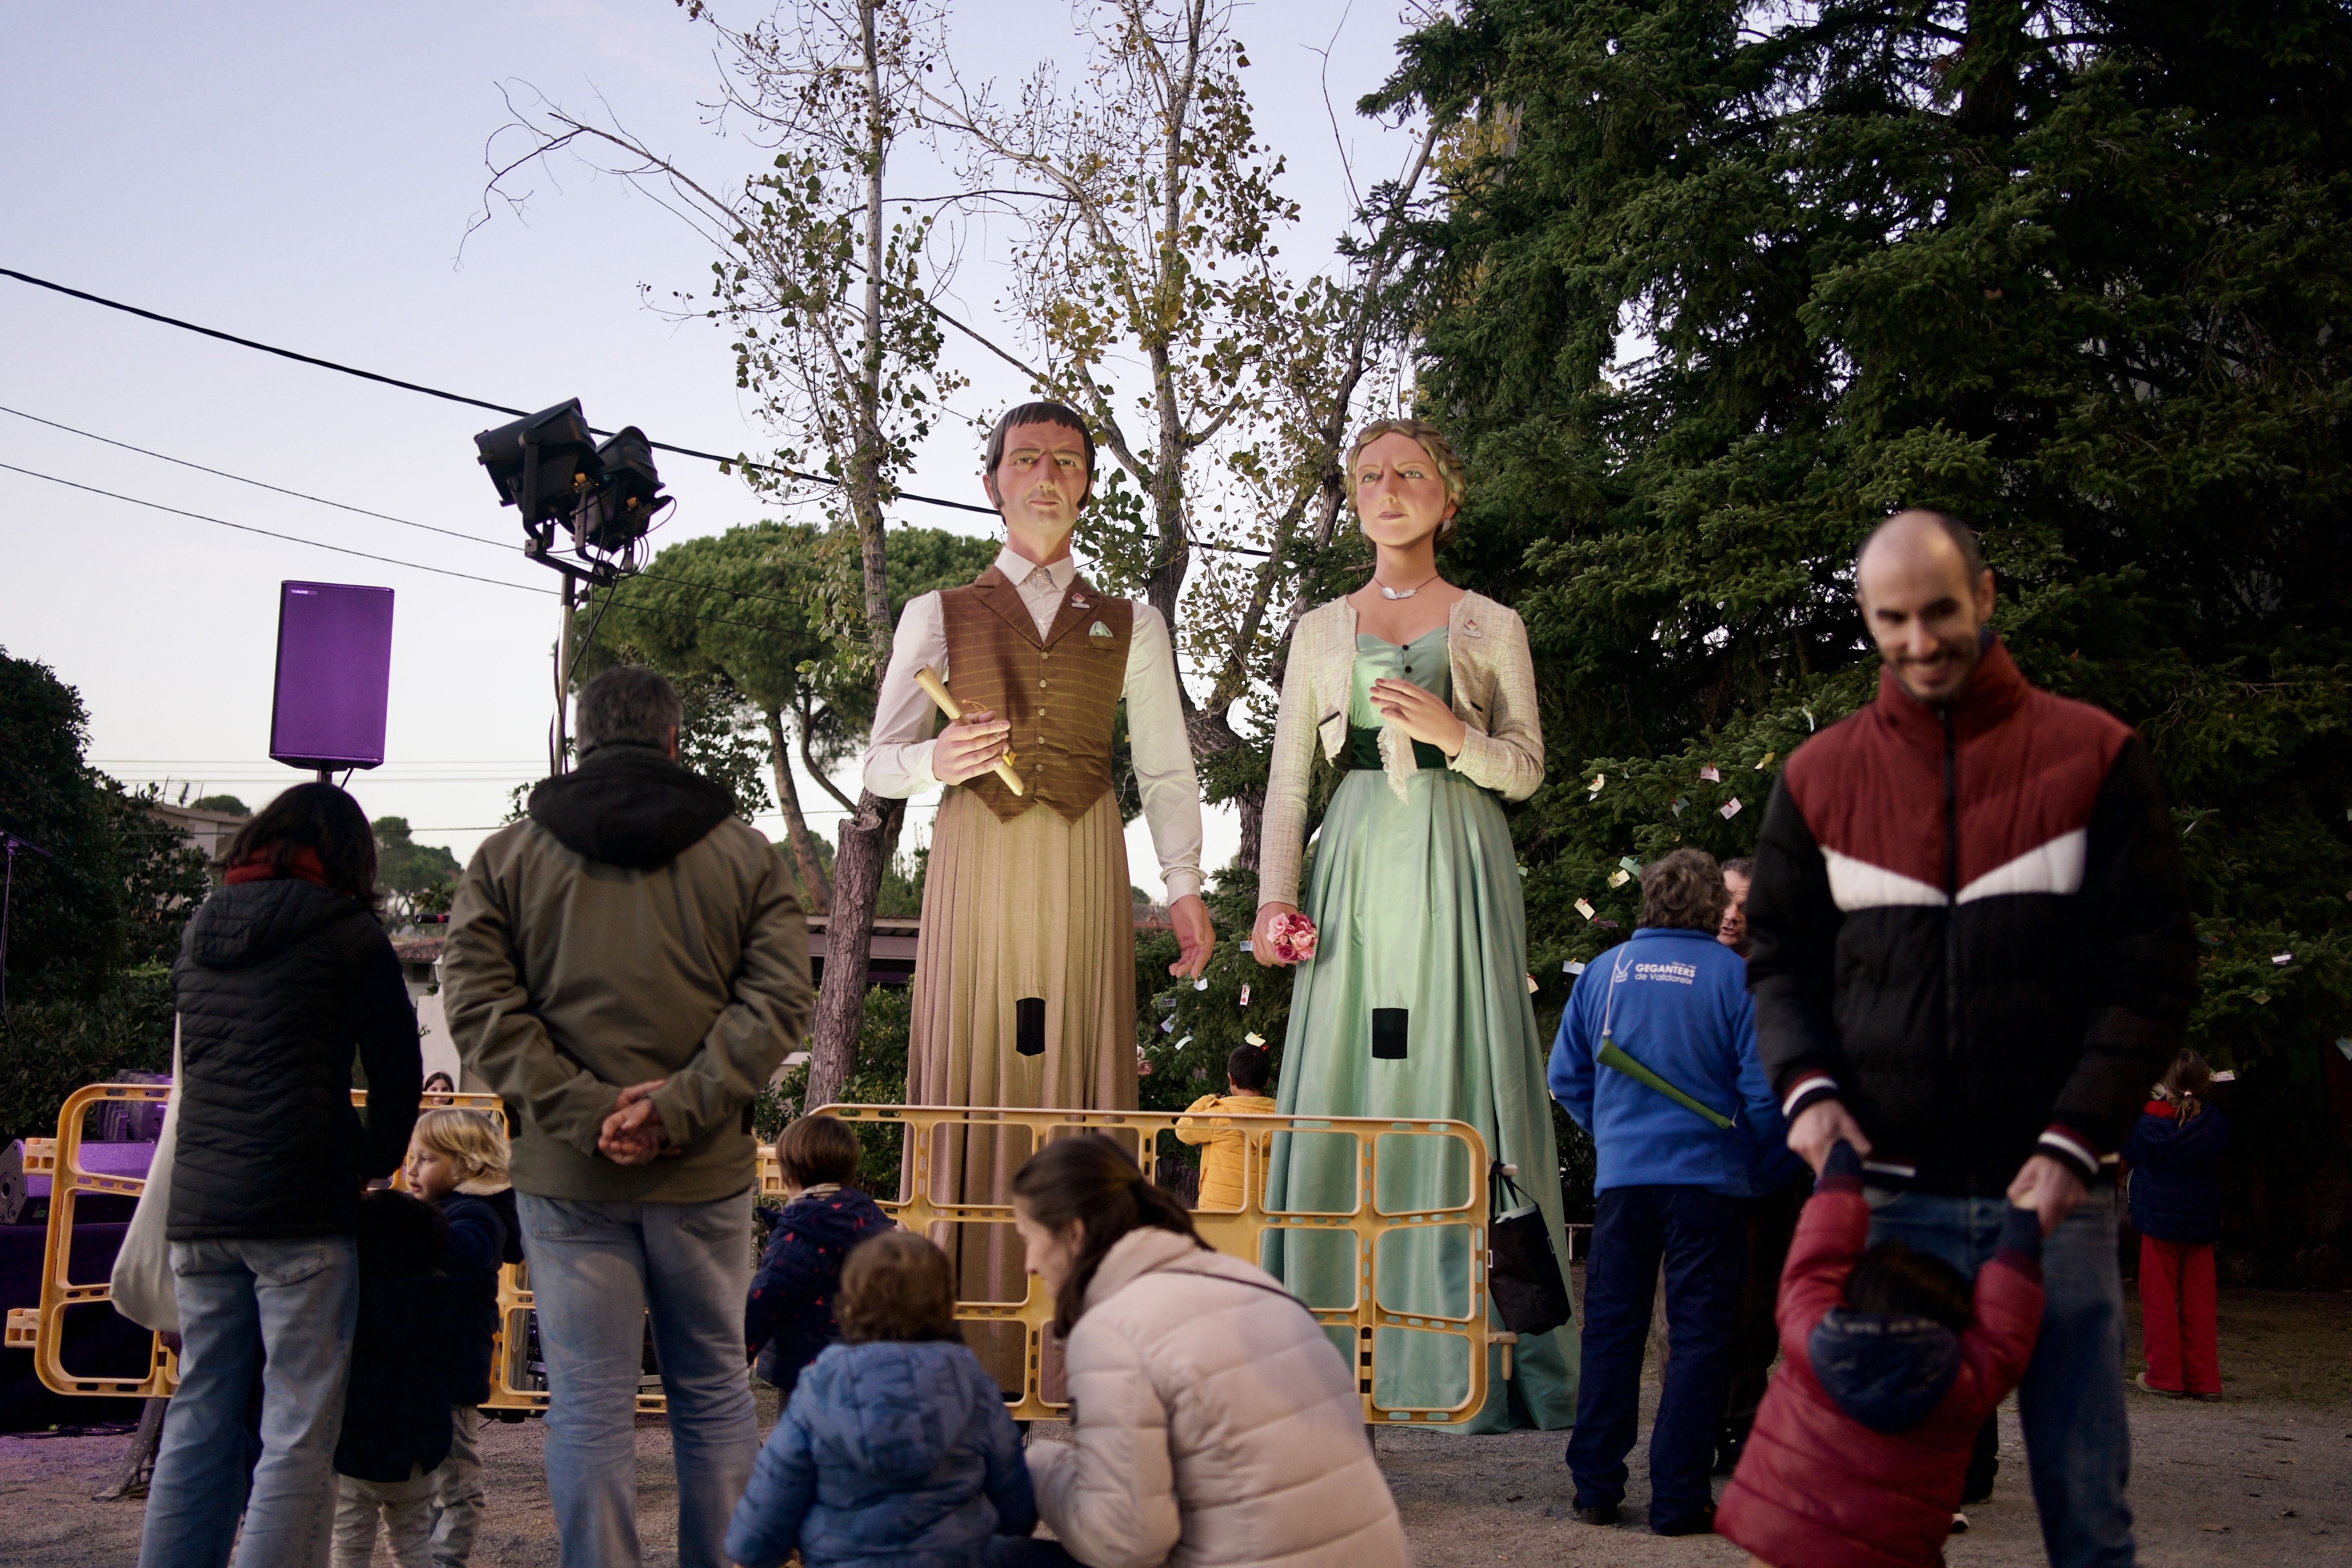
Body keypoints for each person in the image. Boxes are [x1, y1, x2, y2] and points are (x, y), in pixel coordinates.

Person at [1746, 509, 2197, 1567]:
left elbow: (2154, 969)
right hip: (1889, 1202)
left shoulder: (2097, 756)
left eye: (1939, 611)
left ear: (1986, 597)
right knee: (1873, 1525)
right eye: (1891, 619)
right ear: (1868, 619)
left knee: (2088, 1515)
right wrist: (1808, 1093)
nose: (1918, 640)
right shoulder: (1818, 777)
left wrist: (2074, 1144)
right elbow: (1778, 959)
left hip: (2055, 1202)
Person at [862, 401, 1213, 1373]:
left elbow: (1169, 765)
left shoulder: (1133, 623)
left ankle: (1082, 1353)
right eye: (1027, 460)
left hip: (1086, 849)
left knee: (1074, 1074)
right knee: (977, 1068)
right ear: (994, 484)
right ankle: (954, 1340)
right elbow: (878, 762)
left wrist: (1184, 884)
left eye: (1067, 460)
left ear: (1090, 485)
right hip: (978, 850)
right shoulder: (936, 612)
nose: (1048, 475)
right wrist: (934, 755)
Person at [442, 665, 814, 1568]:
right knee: (716, 1396)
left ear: (581, 739)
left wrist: (580, 1110)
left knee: (590, 1406)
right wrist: (680, 1103)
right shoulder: (746, 855)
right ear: (675, 740)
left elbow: (479, 1004)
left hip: (568, 1176)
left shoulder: (508, 857)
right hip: (705, 1172)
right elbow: (776, 1002)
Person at [1250, 416, 1572, 1431]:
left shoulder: (1493, 623)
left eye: (1411, 473)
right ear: (1353, 496)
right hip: (1353, 858)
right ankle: (1326, 1342)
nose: (1389, 489)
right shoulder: (1317, 630)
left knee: (1456, 1070)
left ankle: (1466, 1354)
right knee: (1351, 1078)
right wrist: (1273, 899)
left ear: (1450, 492)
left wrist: (1455, 735)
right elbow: (1286, 785)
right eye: (1369, 476)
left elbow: (1525, 768)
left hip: (1461, 851)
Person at [138, 782, 421, 1568]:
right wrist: (370, 1160)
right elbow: (399, 1068)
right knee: (296, 1429)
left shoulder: (200, 929)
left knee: (200, 1412)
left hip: (201, 1208)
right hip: (301, 1202)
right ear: (350, 858)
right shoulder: (350, 933)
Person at [1007, 1135, 1409, 1568]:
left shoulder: (1114, 1330)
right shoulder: (1254, 1284)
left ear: (1075, 1233)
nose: (1028, 1263)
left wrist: (1041, 1466)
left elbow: (1124, 1542)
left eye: (1028, 1238)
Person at [1549, 848, 1788, 1535]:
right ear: (1715, 905)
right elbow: (1763, 1099)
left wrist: (1615, 1135)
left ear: (1650, 899)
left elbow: (1567, 1078)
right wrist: (1763, 1166)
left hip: (1625, 1183)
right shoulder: (1735, 978)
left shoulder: (1603, 972)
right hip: (1709, 1186)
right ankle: (1680, 1499)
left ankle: (1596, 1486)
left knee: (1612, 1333)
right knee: (1700, 1339)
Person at [1715, 1142, 2045, 1568]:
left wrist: (1840, 1162)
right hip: (1893, 1551)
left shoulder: (1812, 1332)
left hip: (1784, 1538)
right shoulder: (1962, 1381)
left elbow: (1817, 1259)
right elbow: (2007, 1324)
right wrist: (2024, 1221)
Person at [725, 1231, 1036, 1568]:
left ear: (848, 1307)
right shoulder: (974, 1385)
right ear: (949, 1307)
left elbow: (768, 1508)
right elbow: (1015, 1505)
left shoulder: (819, 1386)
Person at [1713, 855, 1809, 1476]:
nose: (1731, 913)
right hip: (1704, 1166)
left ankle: (1741, 1428)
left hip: (1768, 1167)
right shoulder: (1700, 971)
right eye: (1724, 899)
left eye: (1745, 902)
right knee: (1696, 1310)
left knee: (1755, 1309)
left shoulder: (1784, 978)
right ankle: (1701, 1425)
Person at [402, 1108, 524, 1568]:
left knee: (455, 1491)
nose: (412, 1170)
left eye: (427, 1159)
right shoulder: (442, 1211)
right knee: (431, 1484)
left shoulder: (474, 1213)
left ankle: (442, 1562)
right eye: (411, 1158)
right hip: (436, 1371)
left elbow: (469, 1251)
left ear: (468, 1165)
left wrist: (410, 1233)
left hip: (448, 1373)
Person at [332, 1188, 459, 1568]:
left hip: (357, 1447)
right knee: (412, 1541)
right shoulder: (441, 1291)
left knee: (350, 1542)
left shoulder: (351, 1297)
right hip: (421, 1446)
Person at [745, 1114, 892, 1399]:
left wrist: (733, 1359)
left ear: (790, 1175)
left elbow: (766, 1299)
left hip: (807, 1368)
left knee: (798, 1439)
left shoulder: (798, 1232)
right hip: (868, 1366)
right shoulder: (873, 1221)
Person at [2124, 1049, 2229, 1401]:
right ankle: (2205, 1380)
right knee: (2201, 1303)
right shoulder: (2215, 1124)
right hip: (2201, 1222)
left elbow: (2130, 1152)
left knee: (2159, 1300)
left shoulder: (2148, 1123)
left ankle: (2165, 1376)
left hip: (2158, 1221)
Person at [1171, 1043, 1276, 1211]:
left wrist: (1206, 1100)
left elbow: (1183, 1131)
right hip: (1265, 1212)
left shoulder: (1219, 1115)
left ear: (1231, 1079)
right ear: (1267, 1082)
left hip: (1220, 1214)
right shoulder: (1280, 1117)